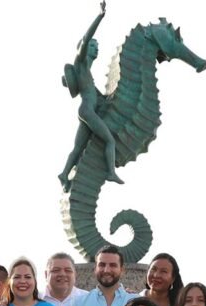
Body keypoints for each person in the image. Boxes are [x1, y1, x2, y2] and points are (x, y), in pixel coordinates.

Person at [58, 0, 123, 191]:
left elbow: (98, 97)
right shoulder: (81, 63)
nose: (96, 48)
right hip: (87, 111)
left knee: (78, 148)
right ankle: (110, 172)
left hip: (86, 111)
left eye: (97, 45)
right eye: (94, 46)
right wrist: (100, 16)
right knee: (109, 140)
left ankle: (64, 175)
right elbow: (86, 38)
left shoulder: (88, 74)